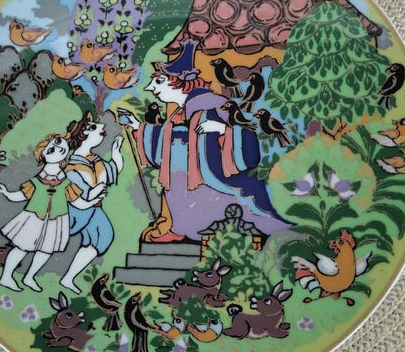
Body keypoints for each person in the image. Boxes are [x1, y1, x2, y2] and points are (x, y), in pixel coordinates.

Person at [120, 66, 289, 243]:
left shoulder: (214, 104)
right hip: (182, 184)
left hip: (214, 183)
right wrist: (136, 125)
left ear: (181, 82)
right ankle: (179, 228)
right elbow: (162, 141)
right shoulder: (178, 114)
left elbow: (245, 132)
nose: (151, 87)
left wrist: (221, 128)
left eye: (159, 81)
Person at [0, 134, 82, 292]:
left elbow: (77, 202)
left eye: (61, 148)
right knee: (22, 247)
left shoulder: (66, 182)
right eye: (51, 149)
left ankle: (29, 277)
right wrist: (7, 193)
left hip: (56, 220)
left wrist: (93, 198)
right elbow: (21, 196)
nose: (57, 151)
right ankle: (6, 277)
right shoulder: (36, 181)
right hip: (34, 218)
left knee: (47, 250)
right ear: (42, 153)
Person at [59, 111, 124, 294]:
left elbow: (114, 169)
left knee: (101, 238)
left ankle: (68, 278)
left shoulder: (95, 160)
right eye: (94, 127)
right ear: (83, 135)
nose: (102, 128)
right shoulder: (72, 168)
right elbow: (78, 196)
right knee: (57, 241)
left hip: (94, 209)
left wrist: (116, 152)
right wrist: (92, 196)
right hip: (78, 211)